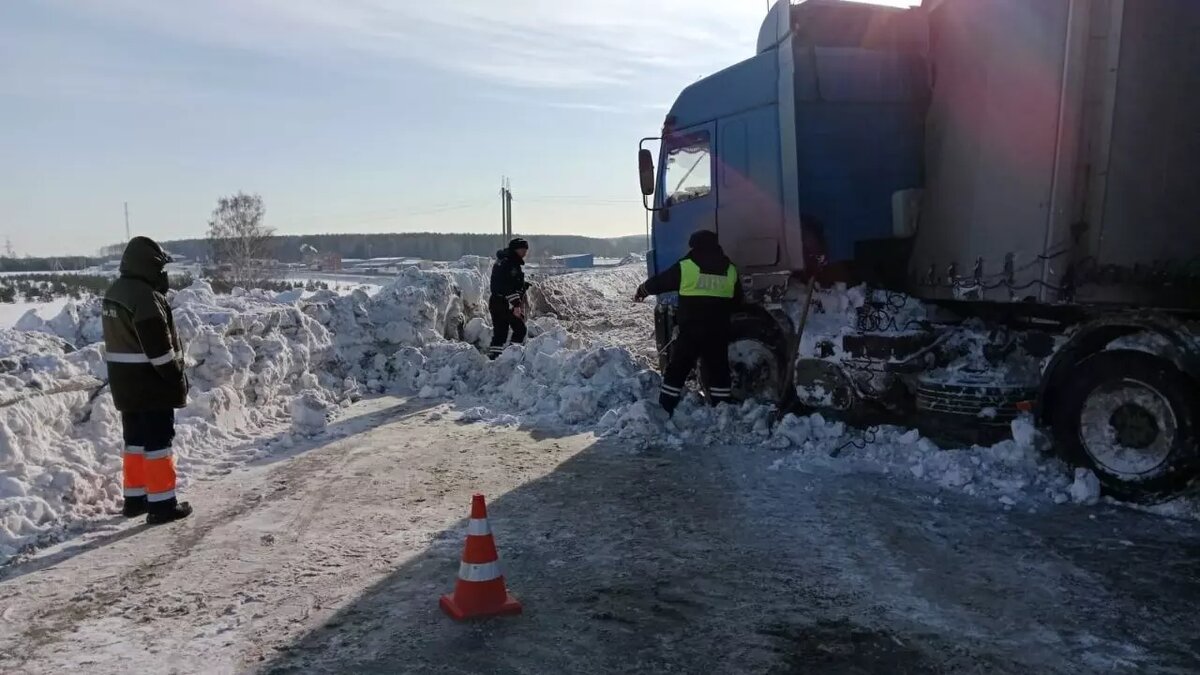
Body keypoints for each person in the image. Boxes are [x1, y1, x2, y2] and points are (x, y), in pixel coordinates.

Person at [102, 236, 193, 524]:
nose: (164, 274)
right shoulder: (145, 297)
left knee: (136, 442)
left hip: (125, 384)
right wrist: (175, 377)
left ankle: (136, 499)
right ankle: (162, 505)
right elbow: (159, 349)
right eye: (160, 267)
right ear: (149, 266)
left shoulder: (115, 291)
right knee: (158, 444)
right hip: (150, 383)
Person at [634, 230, 741, 415]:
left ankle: (666, 408)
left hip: (691, 330)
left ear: (694, 245)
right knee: (719, 369)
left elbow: (661, 282)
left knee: (678, 368)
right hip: (718, 330)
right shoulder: (730, 269)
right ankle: (721, 410)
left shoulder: (687, 266)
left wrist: (642, 290)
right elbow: (738, 300)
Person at [488, 237, 531, 359]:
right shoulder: (510, 263)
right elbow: (507, 286)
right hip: (504, 303)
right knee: (519, 329)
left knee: (500, 333)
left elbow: (508, 283)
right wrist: (516, 305)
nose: (525, 252)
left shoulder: (506, 261)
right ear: (516, 249)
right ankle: (512, 355)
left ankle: (495, 357)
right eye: (523, 249)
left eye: (526, 250)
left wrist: (522, 286)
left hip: (498, 302)